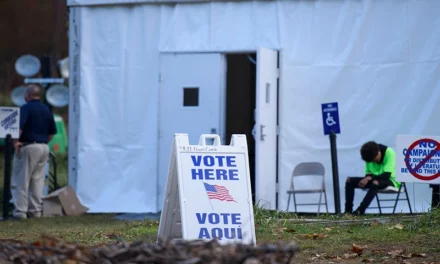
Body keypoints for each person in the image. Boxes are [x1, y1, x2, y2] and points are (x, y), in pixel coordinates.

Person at [10, 84, 57, 219]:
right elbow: (52, 132)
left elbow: (19, 128)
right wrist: (43, 142)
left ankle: (20, 212)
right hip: (44, 147)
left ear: (27, 95)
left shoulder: (25, 108)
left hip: (28, 146)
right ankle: (35, 211)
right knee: (37, 181)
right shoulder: (46, 109)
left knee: (21, 180)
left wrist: (15, 142)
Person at [344, 141, 401, 216]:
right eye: (371, 161)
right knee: (349, 181)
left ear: (379, 152)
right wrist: (367, 178)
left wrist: (369, 178)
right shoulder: (369, 156)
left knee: (375, 183)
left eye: (375, 160)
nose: (374, 162)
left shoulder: (390, 153)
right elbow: (368, 174)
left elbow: (386, 175)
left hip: (391, 180)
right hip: (374, 178)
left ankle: (360, 211)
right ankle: (348, 212)